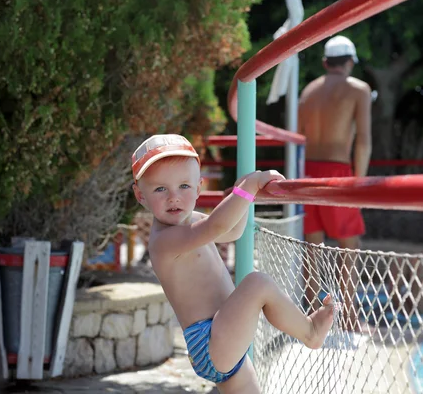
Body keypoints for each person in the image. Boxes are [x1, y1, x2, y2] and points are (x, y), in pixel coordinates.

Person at [131, 134, 335, 394]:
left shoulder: (191, 221)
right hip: (209, 339)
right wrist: (248, 187)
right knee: (257, 283)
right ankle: (310, 333)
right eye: (160, 189)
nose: (174, 197)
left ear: (198, 187)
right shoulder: (164, 240)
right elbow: (217, 224)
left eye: (184, 186)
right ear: (140, 195)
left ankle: (309, 331)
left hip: (223, 332)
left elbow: (232, 232)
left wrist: (246, 197)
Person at [298, 35, 372, 332]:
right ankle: (349, 316)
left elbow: (299, 137)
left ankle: (313, 314)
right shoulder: (359, 89)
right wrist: (361, 184)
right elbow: (364, 141)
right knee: (349, 245)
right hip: (338, 171)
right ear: (351, 61)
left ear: (325, 62)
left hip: (306, 170)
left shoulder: (309, 91)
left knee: (312, 245)